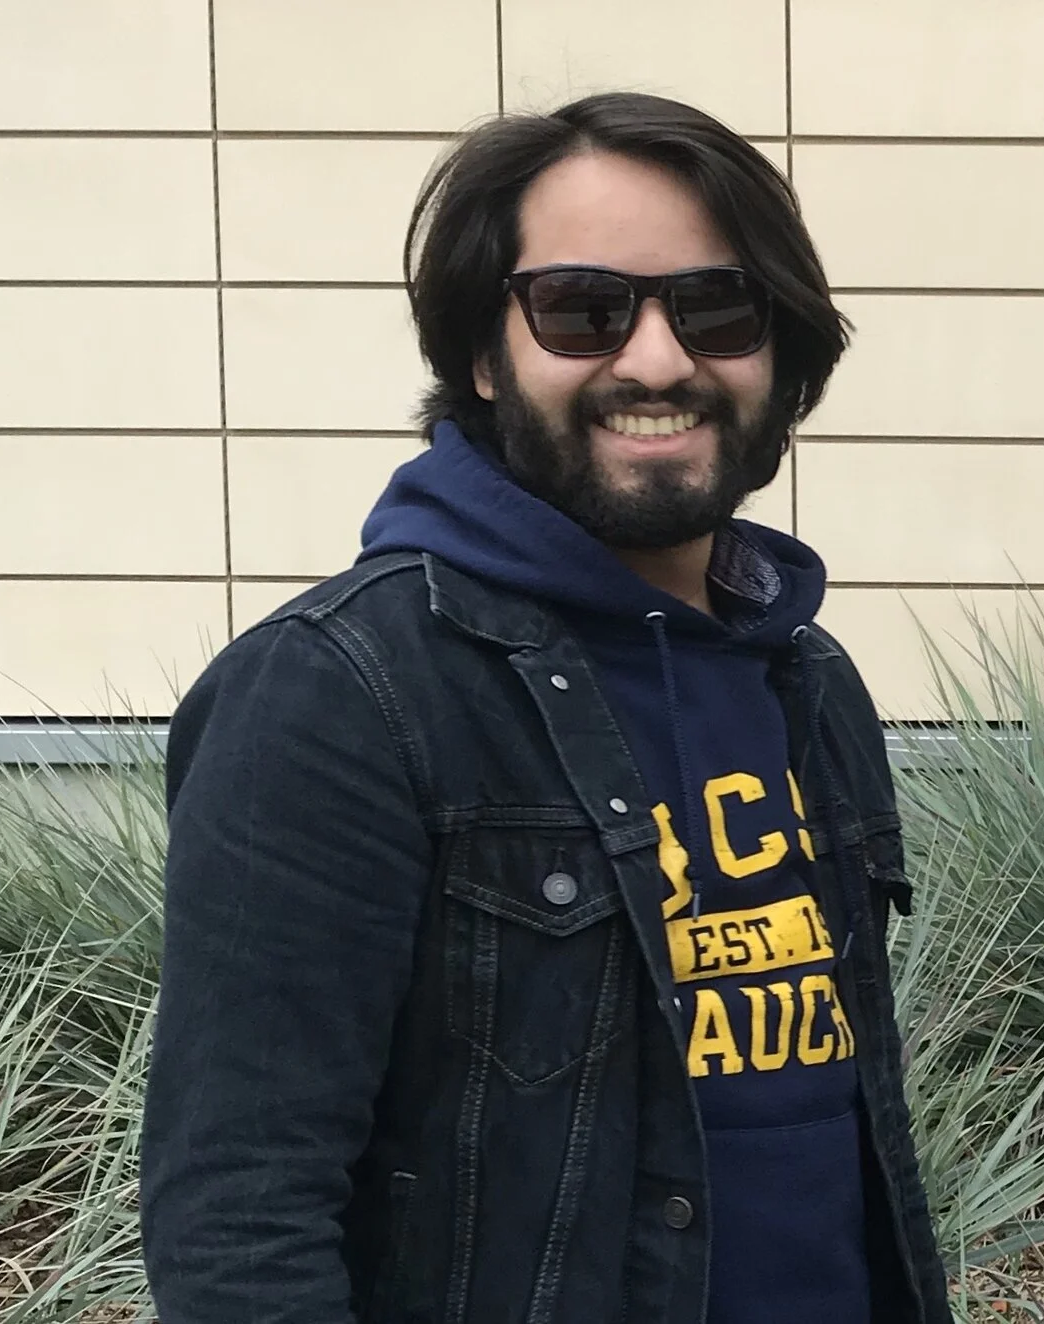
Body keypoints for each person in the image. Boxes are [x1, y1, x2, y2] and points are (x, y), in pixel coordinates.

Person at [141, 93, 947, 1324]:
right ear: (482, 353)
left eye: (716, 308)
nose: (659, 360)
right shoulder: (340, 693)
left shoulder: (806, 678)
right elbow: (241, 1214)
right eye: (584, 308)